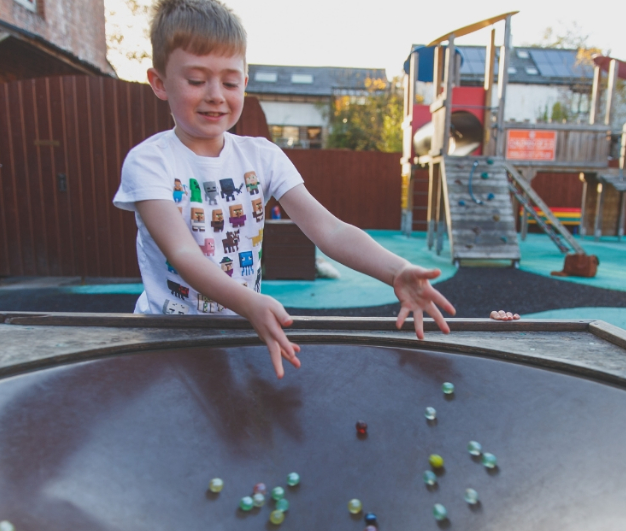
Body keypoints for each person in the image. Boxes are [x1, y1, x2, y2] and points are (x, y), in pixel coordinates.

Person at [113, 0, 455, 379]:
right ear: (159, 82)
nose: (215, 94)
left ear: (244, 82)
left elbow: (330, 230)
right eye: (196, 80)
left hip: (238, 330)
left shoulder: (262, 157)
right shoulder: (150, 162)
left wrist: (397, 270)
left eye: (229, 81)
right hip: (166, 336)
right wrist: (250, 302)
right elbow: (182, 254)